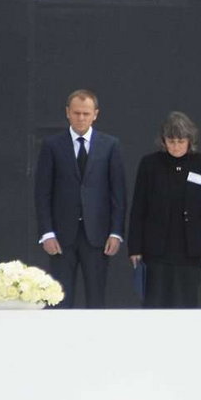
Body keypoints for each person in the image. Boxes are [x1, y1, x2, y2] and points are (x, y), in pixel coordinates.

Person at [34, 89, 126, 307]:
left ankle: (93, 340)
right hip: (61, 237)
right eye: (76, 113)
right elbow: (42, 192)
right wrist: (46, 232)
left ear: (95, 114)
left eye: (86, 113)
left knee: (96, 299)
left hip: (97, 237)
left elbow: (118, 193)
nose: (81, 118)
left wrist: (116, 232)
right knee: (60, 299)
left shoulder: (110, 145)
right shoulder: (52, 145)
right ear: (67, 113)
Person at [127, 112, 201, 308]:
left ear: (190, 140)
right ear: (163, 141)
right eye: (171, 141)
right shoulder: (150, 164)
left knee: (186, 302)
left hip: (190, 249)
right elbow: (138, 208)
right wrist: (134, 247)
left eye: (180, 141)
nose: (176, 146)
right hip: (156, 249)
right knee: (155, 303)